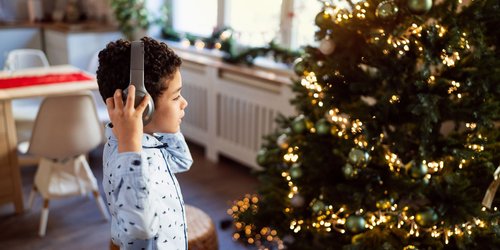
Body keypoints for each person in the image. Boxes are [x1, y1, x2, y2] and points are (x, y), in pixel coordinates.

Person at [96, 37, 193, 250]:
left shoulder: (149, 142)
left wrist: (163, 127)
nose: (184, 102)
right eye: (176, 97)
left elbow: (183, 161)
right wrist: (130, 142)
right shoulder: (123, 154)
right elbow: (140, 230)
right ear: (142, 104)